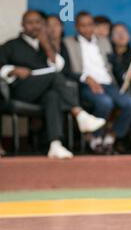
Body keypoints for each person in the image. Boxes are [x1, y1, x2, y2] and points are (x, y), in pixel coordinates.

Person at [0, 10, 106, 159]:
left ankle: (55, 144)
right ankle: (79, 113)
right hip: (21, 90)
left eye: (38, 22)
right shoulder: (10, 45)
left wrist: (47, 46)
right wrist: (12, 70)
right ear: (23, 25)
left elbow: (59, 66)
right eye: (30, 22)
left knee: (53, 96)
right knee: (54, 77)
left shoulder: (45, 45)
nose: (34, 26)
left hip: (43, 91)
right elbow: (1, 66)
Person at [62, 11, 131, 154]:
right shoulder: (68, 43)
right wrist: (86, 77)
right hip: (85, 85)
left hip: (108, 84)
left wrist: (125, 75)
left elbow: (115, 65)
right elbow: (65, 70)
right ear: (76, 27)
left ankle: (112, 136)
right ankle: (94, 138)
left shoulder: (104, 42)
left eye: (90, 24)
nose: (87, 28)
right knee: (105, 103)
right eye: (83, 25)